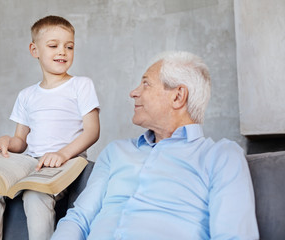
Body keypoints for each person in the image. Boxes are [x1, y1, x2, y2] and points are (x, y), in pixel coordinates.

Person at [51, 51, 259, 240]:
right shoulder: (115, 152)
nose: (133, 92)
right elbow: (79, 219)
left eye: (146, 84)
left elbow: (234, 236)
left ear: (178, 96)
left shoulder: (221, 156)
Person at [0, 16, 100, 240]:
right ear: (35, 50)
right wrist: (7, 141)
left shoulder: (81, 85)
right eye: (53, 45)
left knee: (35, 195)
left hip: (67, 161)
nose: (62, 51)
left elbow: (92, 131)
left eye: (69, 46)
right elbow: (20, 141)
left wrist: (62, 154)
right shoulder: (27, 95)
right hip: (32, 160)